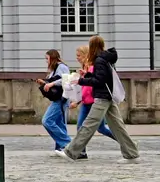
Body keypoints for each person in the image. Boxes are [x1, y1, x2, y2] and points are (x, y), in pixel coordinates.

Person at [61, 35, 140, 163]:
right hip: (108, 96)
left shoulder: (99, 60)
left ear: (93, 46)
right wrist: (87, 75)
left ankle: (71, 152)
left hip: (102, 97)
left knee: (89, 125)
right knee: (117, 126)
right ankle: (132, 154)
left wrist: (81, 80)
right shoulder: (106, 59)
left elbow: (99, 81)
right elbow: (102, 77)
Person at [71, 45, 114, 158]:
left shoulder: (92, 66)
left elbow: (92, 84)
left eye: (79, 55)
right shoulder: (86, 68)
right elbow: (85, 88)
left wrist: (83, 78)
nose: (77, 58)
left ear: (85, 55)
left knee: (100, 129)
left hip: (93, 102)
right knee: (82, 127)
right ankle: (81, 152)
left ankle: (126, 142)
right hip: (86, 102)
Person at [37, 49, 71, 154]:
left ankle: (69, 144)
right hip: (59, 98)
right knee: (59, 123)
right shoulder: (56, 68)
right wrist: (45, 83)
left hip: (61, 99)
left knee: (47, 121)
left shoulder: (61, 67)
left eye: (47, 58)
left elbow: (66, 80)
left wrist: (51, 84)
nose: (46, 61)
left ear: (52, 58)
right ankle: (61, 147)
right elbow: (55, 80)